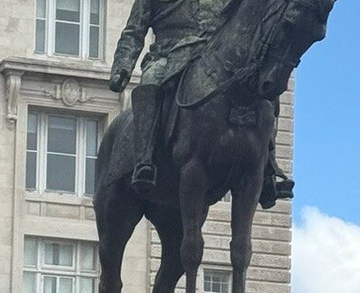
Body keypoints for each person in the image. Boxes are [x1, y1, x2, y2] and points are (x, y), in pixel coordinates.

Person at [109, 0, 293, 206]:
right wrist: (122, 66)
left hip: (218, 57)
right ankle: (145, 161)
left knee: (266, 90)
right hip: (168, 54)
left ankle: (268, 167)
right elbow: (134, 32)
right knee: (149, 83)